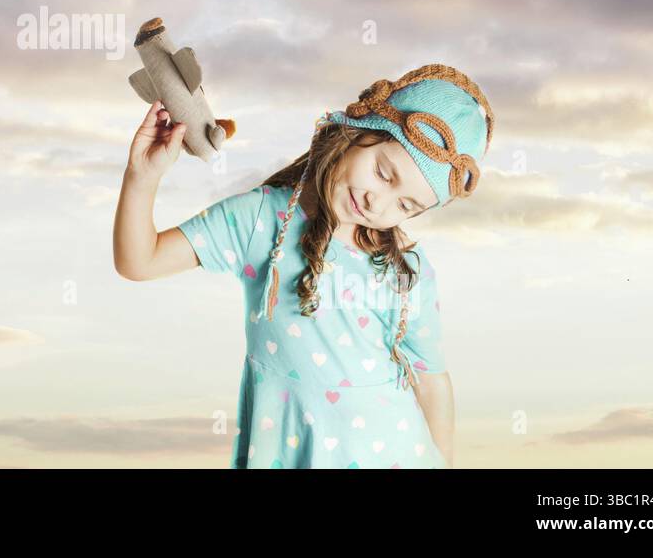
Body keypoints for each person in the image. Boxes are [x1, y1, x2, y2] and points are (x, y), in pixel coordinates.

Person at [113, 64, 494, 468]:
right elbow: (139, 261)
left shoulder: (406, 270)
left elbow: (431, 379)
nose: (378, 203)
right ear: (358, 130)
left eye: (406, 205)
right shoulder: (260, 219)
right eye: (383, 173)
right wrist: (143, 175)